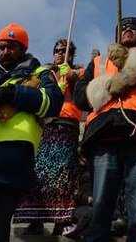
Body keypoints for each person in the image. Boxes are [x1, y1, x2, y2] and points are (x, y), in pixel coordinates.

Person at [0, 23, 62, 242]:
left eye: (11, 47)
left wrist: (14, 93)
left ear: (23, 49)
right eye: (1, 47)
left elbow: (52, 103)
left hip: (11, 156)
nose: (5, 52)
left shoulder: (39, 72)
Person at [74, 16, 136, 242]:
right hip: (104, 137)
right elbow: (80, 98)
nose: (128, 30)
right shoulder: (100, 61)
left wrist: (133, 66)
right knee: (101, 209)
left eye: (134, 28)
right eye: (123, 28)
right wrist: (108, 86)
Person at [16, 38, 84, 235]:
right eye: (57, 50)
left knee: (63, 174)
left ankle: (61, 221)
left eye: (64, 50)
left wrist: (71, 76)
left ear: (71, 54)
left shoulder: (78, 71)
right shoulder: (46, 72)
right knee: (40, 173)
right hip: (47, 124)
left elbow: (84, 91)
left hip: (67, 124)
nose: (60, 53)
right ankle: (35, 220)